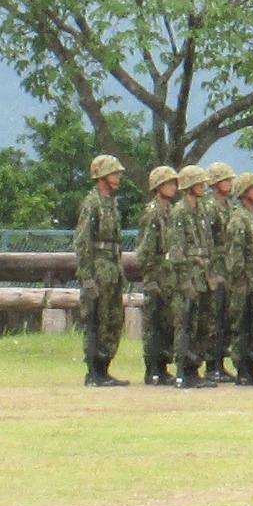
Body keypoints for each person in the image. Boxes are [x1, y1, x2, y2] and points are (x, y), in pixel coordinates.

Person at [74, 154, 130, 387]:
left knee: (113, 319)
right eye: (113, 173)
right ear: (102, 176)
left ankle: (105, 368)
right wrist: (87, 277)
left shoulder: (111, 203)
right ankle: (94, 371)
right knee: (97, 319)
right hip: (98, 269)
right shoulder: (92, 203)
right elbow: (82, 241)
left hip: (112, 268)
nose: (118, 177)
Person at [169, 165, 215, 389]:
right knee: (186, 323)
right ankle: (183, 369)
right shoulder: (180, 212)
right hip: (188, 274)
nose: (203, 186)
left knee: (202, 324)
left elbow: (208, 243)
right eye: (199, 183)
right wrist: (184, 280)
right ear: (188, 186)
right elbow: (177, 249)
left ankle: (195, 367)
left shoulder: (202, 210)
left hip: (203, 274)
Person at [136, 165, 178, 386]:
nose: (173, 187)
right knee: (154, 322)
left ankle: (163, 366)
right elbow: (145, 250)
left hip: (169, 274)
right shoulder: (152, 213)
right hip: (156, 274)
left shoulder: (170, 211)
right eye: (168, 183)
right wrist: (150, 277)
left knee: (167, 321)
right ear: (158, 186)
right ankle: (152, 368)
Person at [226, 172, 253, 386]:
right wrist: (241, 280)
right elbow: (235, 256)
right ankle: (242, 368)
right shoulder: (238, 219)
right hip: (244, 281)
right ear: (244, 193)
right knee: (242, 325)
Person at [202, 162, 236, 383]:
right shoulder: (210, 208)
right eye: (226, 180)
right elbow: (207, 240)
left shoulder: (229, 207)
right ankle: (211, 364)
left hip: (228, 266)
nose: (230, 183)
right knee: (214, 318)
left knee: (225, 318)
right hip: (215, 266)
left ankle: (221, 362)